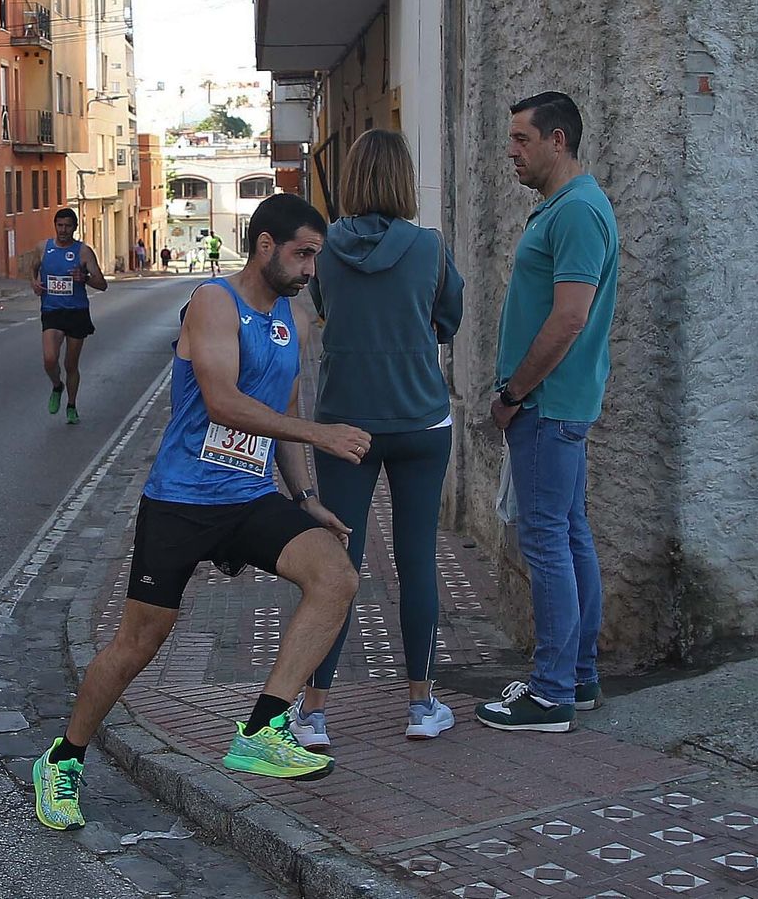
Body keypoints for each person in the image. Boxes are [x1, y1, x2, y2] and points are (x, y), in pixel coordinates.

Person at [31, 194, 372, 831]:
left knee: (336, 577)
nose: (309, 270)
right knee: (141, 641)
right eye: (302, 254)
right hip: (183, 501)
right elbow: (222, 404)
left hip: (247, 499)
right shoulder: (215, 303)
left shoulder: (293, 321)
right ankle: (64, 757)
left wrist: (304, 499)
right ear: (265, 246)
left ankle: (264, 727)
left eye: (316, 259)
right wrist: (321, 434)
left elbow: (278, 422)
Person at [293, 129, 465, 748]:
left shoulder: (325, 250)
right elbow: (449, 317)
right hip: (420, 421)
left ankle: (314, 712)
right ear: (404, 179)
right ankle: (421, 704)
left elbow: (319, 305)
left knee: (338, 564)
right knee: (418, 561)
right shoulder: (430, 247)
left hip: (344, 426)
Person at [479, 91, 619, 733]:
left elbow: (569, 318)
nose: (511, 150)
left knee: (546, 537)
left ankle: (552, 690)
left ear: (556, 140)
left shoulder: (579, 212)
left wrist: (512, 396)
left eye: (521, 139)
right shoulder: (562, 208)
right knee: (567, 532)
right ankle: (579, 676)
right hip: (554, 402)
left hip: (547, 403)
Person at [32, 209, 107, 425]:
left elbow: (102, 284)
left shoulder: (83, 252)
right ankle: (57, 385)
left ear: (75, 227)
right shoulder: (43, 248)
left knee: (70, 364)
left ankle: (71, 405)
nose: (63, 230)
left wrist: (84, 278)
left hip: (76, 312)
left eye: (67, 226)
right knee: (49, 359)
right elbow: (33, 269)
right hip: (52, 311)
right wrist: (35, 283)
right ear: (55, 225)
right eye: (60, 225)